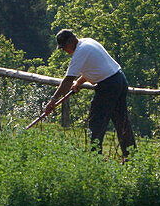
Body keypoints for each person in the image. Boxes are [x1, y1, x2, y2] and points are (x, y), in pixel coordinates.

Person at [43, 29, 135, 158]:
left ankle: (94, 158)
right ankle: (131, 158)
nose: (64, 50)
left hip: (108, 86)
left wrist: (53, 100)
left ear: (71, 40)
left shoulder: (79, 52)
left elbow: (68, 80)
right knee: (122, 121)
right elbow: (94, 67)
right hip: (119, 80)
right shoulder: (88, 42)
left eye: (64, 47)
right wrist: (79, 83)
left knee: (96, 122)